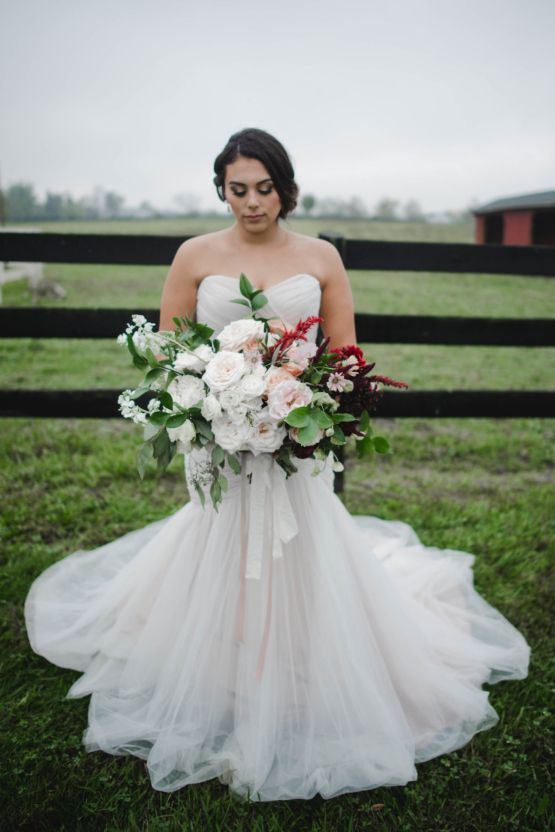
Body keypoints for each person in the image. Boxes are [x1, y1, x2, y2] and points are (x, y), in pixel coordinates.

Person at [24, 127, 531, 802]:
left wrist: (309, 403)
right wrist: (212, 400)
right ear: (221, 189)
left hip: (296, 434)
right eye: (237, 189)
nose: (251, 203)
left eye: (264, 189)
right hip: (220, 439)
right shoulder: (194, 254)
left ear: (285, 189)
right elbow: (169, 353)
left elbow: (345, 354)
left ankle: (302, 659)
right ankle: (220, 659)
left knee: (303, 535)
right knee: (223, 532)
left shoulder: (320, 256)